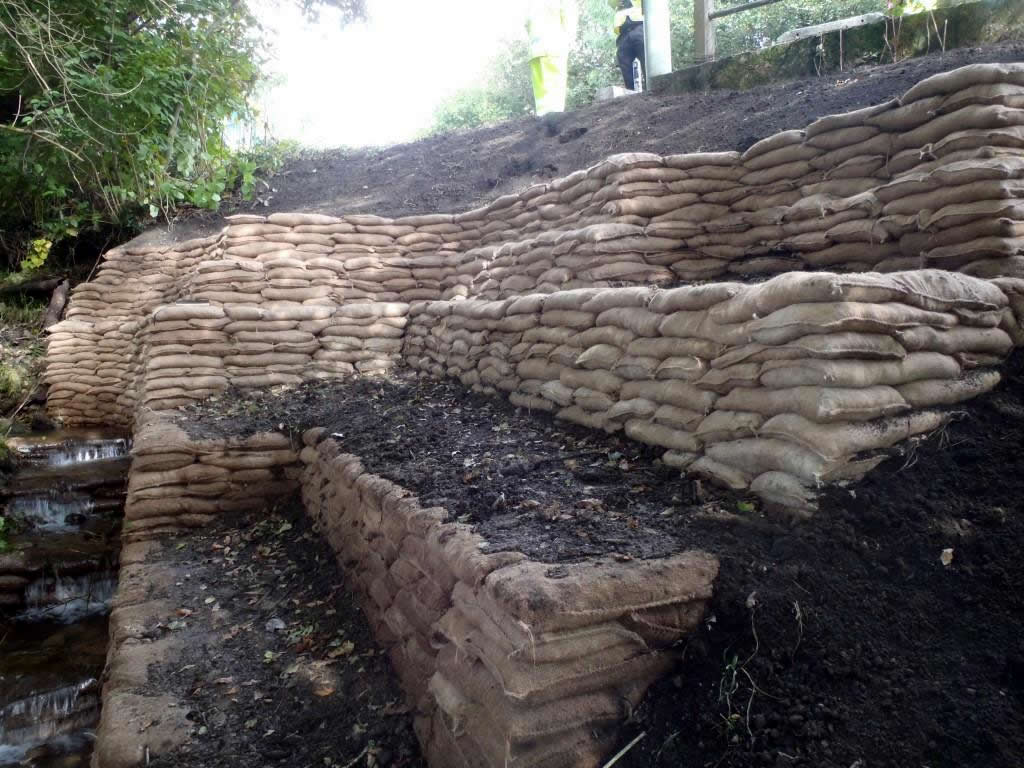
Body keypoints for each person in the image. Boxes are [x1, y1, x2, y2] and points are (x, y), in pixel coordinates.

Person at [525, 0, 578, 118]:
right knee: (555, 84)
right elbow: (568, 18)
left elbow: (526, 24)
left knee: (540, 88)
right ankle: (554, 117)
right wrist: (569, 40)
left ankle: (542, 116)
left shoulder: (531, 4)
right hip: (554, 46)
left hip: (535, 49)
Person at [611, 0, 644, 91]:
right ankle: (630, 92)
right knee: (624, 62)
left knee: (646, 58)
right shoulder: (618, 7)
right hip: (623, 34)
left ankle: (652, 88)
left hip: (638, 27)